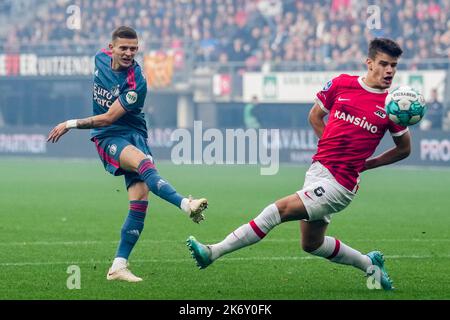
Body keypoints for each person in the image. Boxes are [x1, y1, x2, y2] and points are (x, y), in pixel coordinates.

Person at [187, 38, 411, 290]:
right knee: (312, 244)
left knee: (277, 210)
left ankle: (213, 252)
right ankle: (370, 265)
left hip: (341, 184)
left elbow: (404, 149)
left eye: (393, 65)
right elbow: (315, 115)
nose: (389, 71)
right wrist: (330, 146)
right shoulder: (341, 84)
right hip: (318, 171)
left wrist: (369, 164)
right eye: (384, 64)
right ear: (369, 63)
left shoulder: (392, 106)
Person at [47, 26, 208, 283]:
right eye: (123, 48)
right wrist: (70, 123)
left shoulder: (136, 82)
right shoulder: (99, 58)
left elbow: (111, 115)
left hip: (133, 134)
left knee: (140, 201)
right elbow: (108, 122)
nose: (129, 53)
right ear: (111, 48)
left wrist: (69, 124)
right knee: (144, 164)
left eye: (134, 48)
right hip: (108, 136)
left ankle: (118, 266)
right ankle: (186, 204)